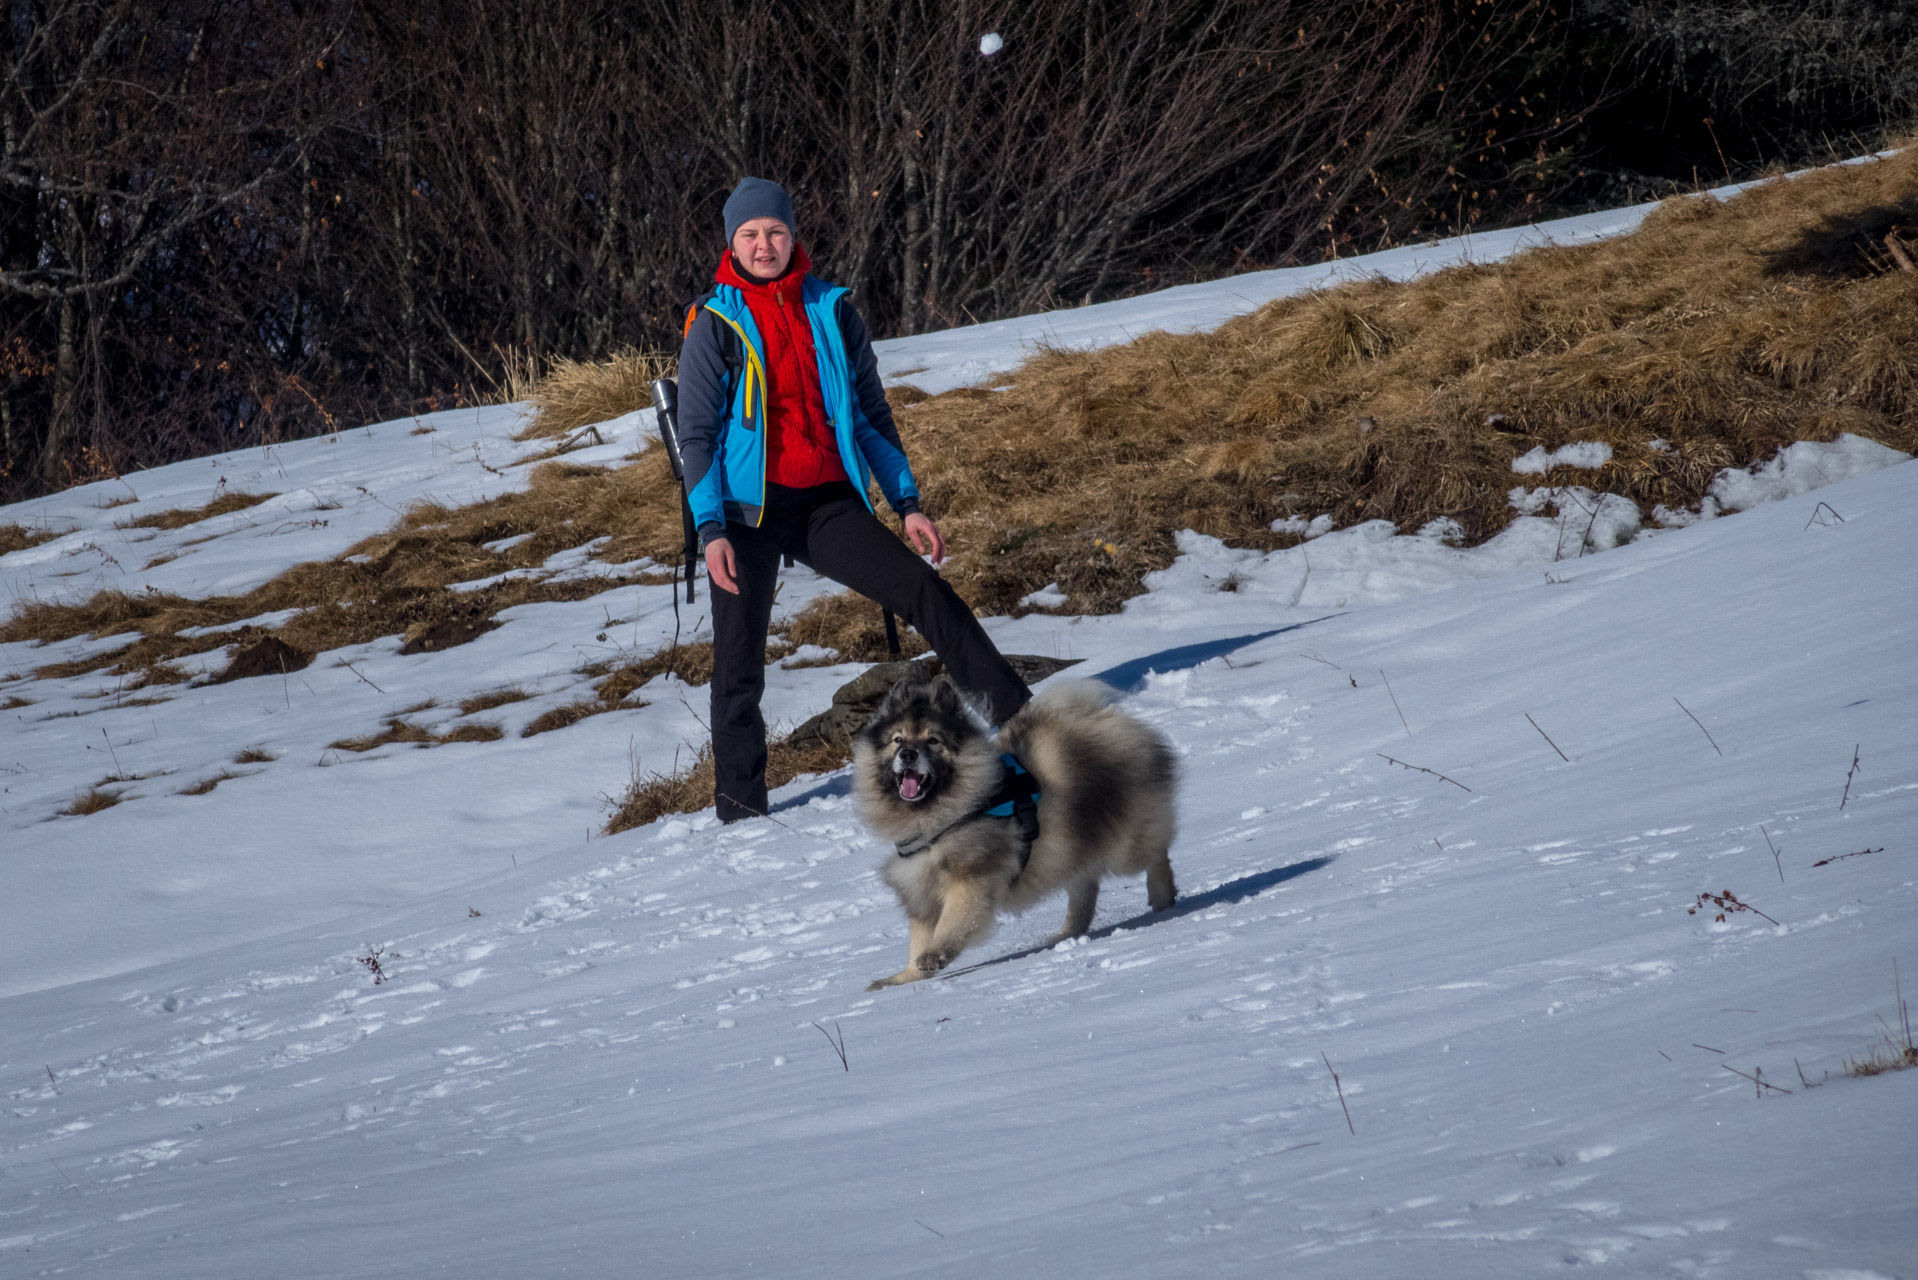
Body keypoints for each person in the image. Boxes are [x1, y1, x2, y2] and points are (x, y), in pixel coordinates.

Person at [676, 177, 1031, 823]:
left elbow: (869, 416)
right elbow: (694, 436)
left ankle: (1022, 723)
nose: (764, 245)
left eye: (775, 232)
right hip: (742, 515)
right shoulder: (714, 325)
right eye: (750, 235)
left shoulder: (832, 311)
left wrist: (908, 503)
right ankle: (740, 813)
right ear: (731, 243)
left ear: (793, 237)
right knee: (738, 666)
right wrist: (711, 530)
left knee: (926, 592)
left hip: (824, 504)